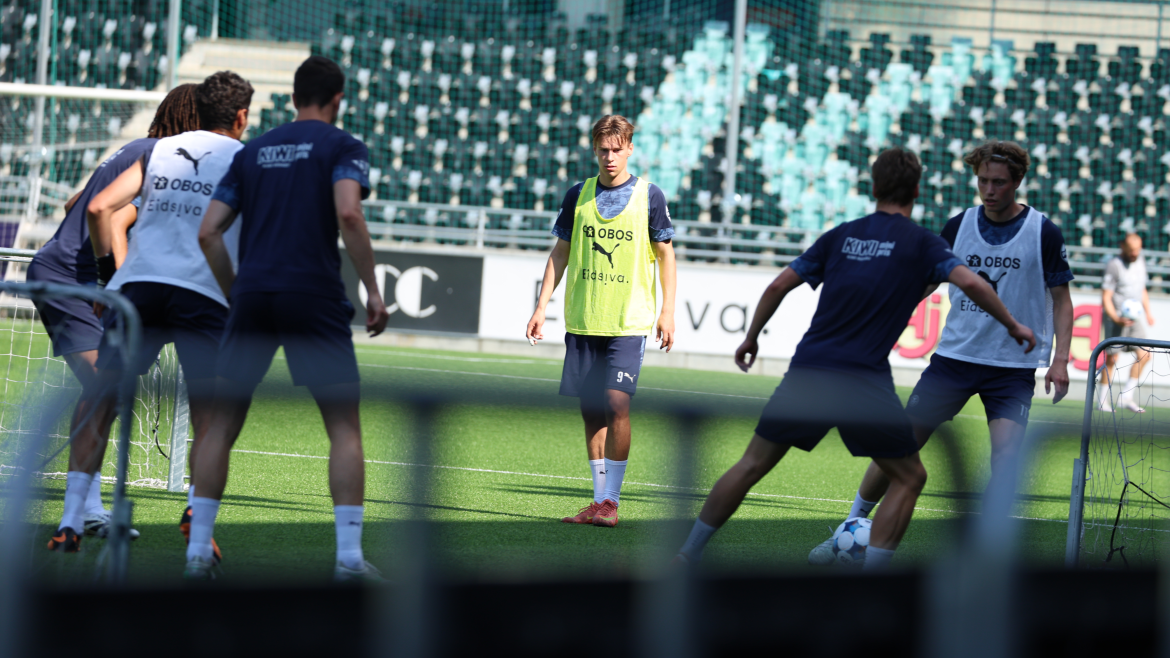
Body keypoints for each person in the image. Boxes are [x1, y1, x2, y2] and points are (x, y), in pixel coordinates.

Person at [675, 148, 1037, 569]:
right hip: (862, 381)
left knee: (752, 463)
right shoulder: (923, 243)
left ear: (874, 187)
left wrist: (751, 338)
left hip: (808, 370)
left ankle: (686, 554)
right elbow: (973, 284)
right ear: (917, 191)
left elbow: (777, 286)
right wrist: (1013, 324)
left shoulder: (841, 235)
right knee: (910, 476)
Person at [806, 140, 1074, 566]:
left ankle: (988, 550)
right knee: (898, 446)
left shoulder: (1043, 231)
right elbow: (925, 284)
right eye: (983, 181)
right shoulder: (958, 225)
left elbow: (1061, 299)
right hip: (953, 361)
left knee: (1007, 456)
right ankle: (850, 523)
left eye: (998, 182)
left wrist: (1060, 359)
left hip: (1011, 368)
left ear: (1018, 182)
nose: (989, 190)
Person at [188, 56, 390, 582]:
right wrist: (373, 291)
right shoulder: (343, 146)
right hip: (313, 295)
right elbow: (349, 212)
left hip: (254, 294)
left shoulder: (253, 151)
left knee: (221, 425)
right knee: (343, 428)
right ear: (338, 98)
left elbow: (209, 231)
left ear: (294, 96)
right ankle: (348, 559)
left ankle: (197, 552)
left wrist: (237, 292)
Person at [82, 71, 253, 562]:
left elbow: (95, 207)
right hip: (202, 293)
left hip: (139, 289)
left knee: (101, 398)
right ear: (240, 116)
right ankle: (198, 535)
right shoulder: (241, 159)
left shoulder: (157, 151)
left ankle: (76, 512)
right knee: (209, 417)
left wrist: (111, 278)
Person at [39, 84, 202, 552]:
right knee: (102, 388)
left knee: (105, 391)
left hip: (65, 273)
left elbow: (75, 202)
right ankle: (85, 512)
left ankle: (85, 510)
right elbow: (107, 216)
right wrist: (114, 278)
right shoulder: (161, 157)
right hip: (75, 281)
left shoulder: (137, 150)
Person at [526, 114, 676, 528]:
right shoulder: (578, 194)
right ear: (595, 149)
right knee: (592, 411)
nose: (610, 157)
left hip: (629, 322)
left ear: (630, 149)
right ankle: (597, 501)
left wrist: (667, 311)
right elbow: (560, 253)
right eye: (603, 149)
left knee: (616, 404)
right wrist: (541, 306)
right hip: (584, 318)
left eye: (617, 149)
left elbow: (665, 255)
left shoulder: (649, 196)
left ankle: (612, 501)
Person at [1099, 233, 1154, 412]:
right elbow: (1106, 297)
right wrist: (1116, 318)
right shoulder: (1114, 265)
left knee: (1145, 354)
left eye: (1138, 249)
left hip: (1134, 319)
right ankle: (1102, 401)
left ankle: (1126, 397)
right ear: (1123, 246)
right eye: (1131, 250)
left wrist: (1148, 312)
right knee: (1112, 359)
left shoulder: (1140, 261)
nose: (1135, 253)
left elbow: (1142, 288)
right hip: (1116, 318)